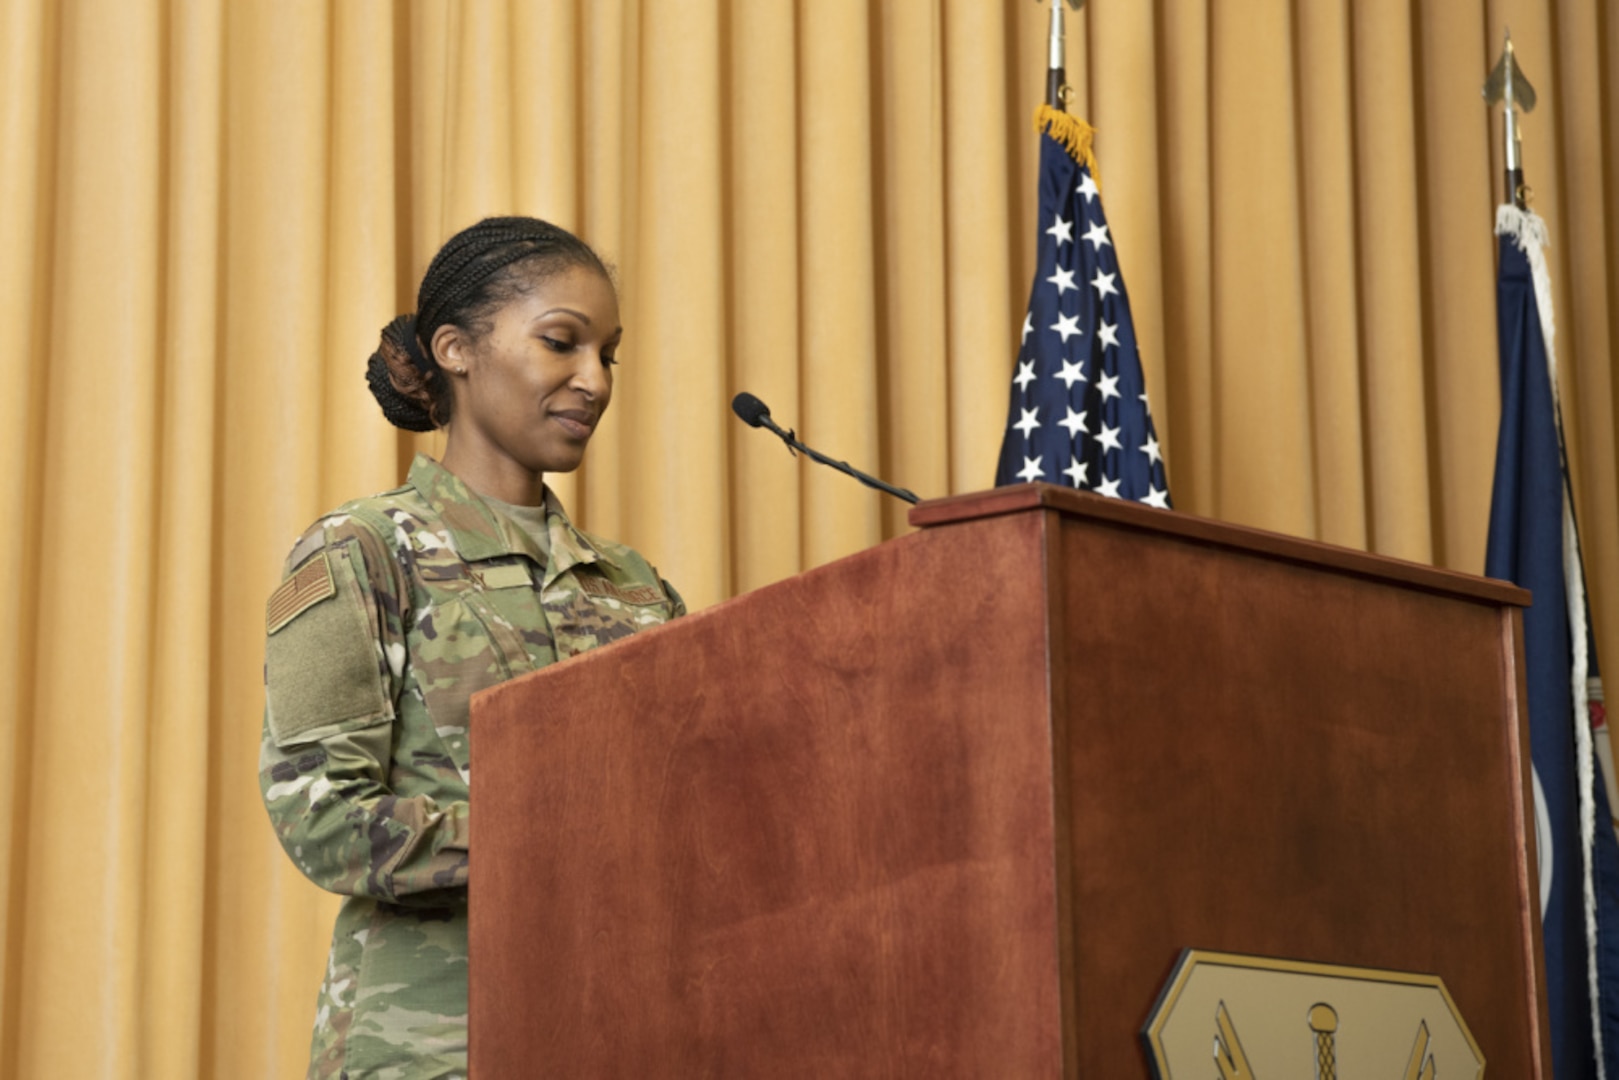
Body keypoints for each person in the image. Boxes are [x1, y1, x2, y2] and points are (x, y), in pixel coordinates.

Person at [259, 216, 685, 1079]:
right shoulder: (361, 552)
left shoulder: (635, 586)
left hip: (622, 1030)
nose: (593, 380)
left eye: (609, 354)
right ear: (455, 349)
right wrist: (548, 834)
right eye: (561, 343)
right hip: (431, 1048)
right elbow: (324, 819)